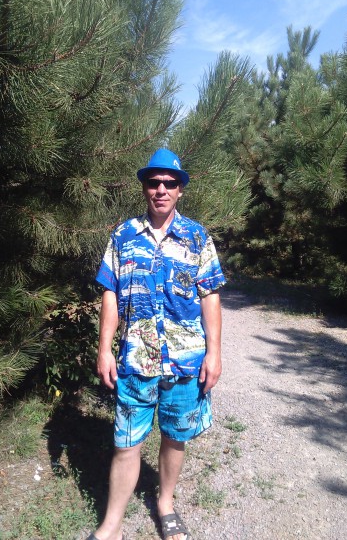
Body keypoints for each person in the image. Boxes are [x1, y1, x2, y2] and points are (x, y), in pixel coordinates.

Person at [88, 148, 225, 540]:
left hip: (185, 361)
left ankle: (165, 504)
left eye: (170, 182)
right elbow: (110, 293)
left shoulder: (197, 237)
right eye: (154, 182)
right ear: (144, 188)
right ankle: (112, 524)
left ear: (180, 189)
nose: (161, 189)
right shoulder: (124, 235)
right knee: (126, 443)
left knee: (175, 437)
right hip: (136, 360)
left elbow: (210, 296)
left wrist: (214, 353)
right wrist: (104, 349)